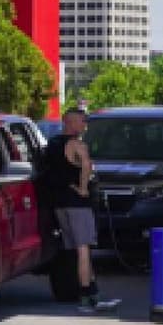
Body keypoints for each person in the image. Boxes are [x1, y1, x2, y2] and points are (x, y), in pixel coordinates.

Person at [44, 108, 118, 313]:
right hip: (77, 204)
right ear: (73, 123)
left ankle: (94, 295)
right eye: (82, 121)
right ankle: (86, 297)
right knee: (84, 250)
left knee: (77, 250)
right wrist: (84, 188)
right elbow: (86, 165)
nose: (85, 125)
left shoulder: (52, 145)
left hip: (60, 204)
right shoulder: (78, 145)